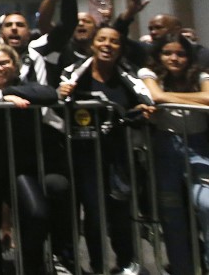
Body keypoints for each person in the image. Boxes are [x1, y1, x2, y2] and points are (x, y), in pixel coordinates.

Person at [58, 27, 154, 274]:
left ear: (120, 48)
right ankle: (97, 265)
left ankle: (125, 264)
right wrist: (61, 95)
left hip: (119, 157)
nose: (108, 45)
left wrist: (143, 112)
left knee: (121, 214)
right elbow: (59, 108)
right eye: (102, 39)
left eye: (114, 41)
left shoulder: (128, 77)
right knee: (93, 215)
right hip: (84, 157)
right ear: (92, 44)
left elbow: (140, 108)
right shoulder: (73, 75)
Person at [0, 43, 58, 275]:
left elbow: (50, 93)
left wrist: (8, 94)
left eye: (4, 63)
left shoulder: (24, 87)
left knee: (36, 214)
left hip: (21, 167)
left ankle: (32, 265)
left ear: (15, 65)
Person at [139, 35, 209, 275]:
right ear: (159, 56)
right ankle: (182, 269)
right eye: (168, 53)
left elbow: (208, 97)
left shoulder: (200, 76)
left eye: (180, 54)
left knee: (206, 204)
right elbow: (155, 96)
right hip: (165, 147)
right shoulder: (148, 73)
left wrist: (168, 99)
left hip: (199, 147)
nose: (174, 58)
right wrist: (193, 100)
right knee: (172, 214)